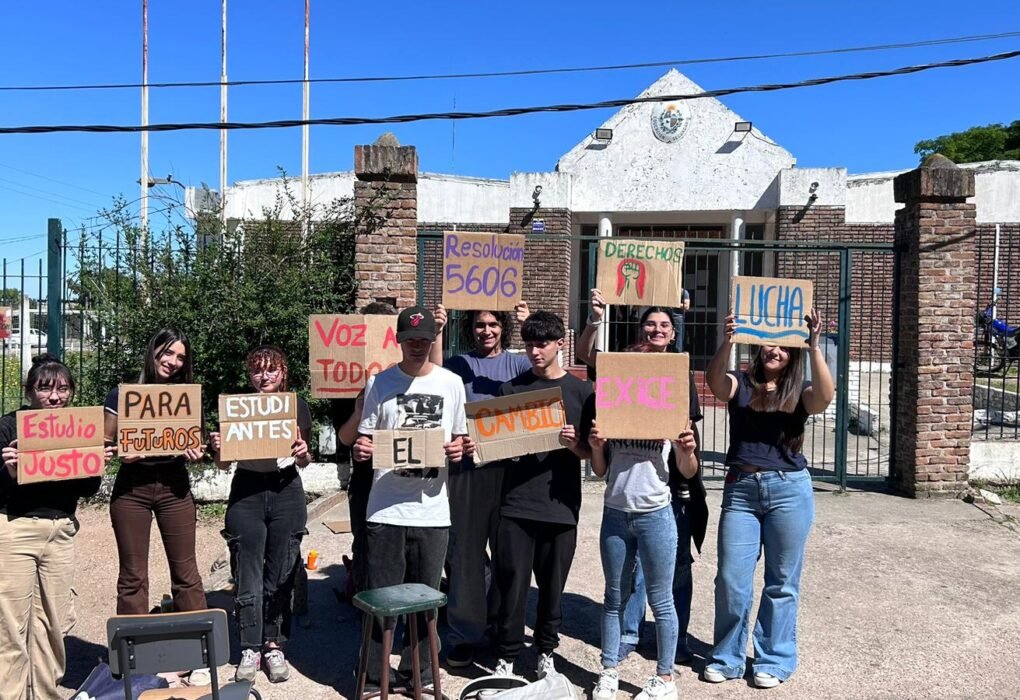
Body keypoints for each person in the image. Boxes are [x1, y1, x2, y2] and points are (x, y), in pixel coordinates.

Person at [702, 310, 833, 689]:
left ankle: (773, 659)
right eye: (767, 344)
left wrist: (814, 347)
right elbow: (714, 383)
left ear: (792, 353)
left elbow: (825, 397)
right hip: (741, 489)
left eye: (781, 345)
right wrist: (727, 341)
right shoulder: (741, 383)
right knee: (731, 578)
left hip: (789, 490)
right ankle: (726, 657)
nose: (772, 350)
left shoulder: (800, 390)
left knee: (782, 581)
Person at [579, 290, 710, 667]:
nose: (657, 329)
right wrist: (595, 317)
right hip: (623, 494)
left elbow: (687, 434)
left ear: (673, 333)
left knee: (675, 570)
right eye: (650, 323)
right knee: (628, 576)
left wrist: (685, 451)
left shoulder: (678, 374)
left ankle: (675, 642)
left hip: (668, 492)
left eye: (665, 325)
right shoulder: (624, 366)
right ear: (640, 332)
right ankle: (630, 634)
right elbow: (589, 356)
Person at [352, 306, 468, 691]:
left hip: (433, 511)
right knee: (382, 599)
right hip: (386, 509)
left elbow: (460, 439)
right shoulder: (380, 384)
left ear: (433, 340)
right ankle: (372, 676)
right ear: (398, 341)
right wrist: (361, 451)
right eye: (410, 339)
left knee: (425, 603)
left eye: (424, 340)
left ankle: (419, 675)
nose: (418, 346)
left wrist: (458, 450)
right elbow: (365, 439)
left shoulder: (451, 383)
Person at [588, 339, 699, 700]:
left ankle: (665, 679)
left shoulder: (670, 408)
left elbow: (687, 469)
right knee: (613, 597)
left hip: (656, 514)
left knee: (660, 599)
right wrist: (594, 446)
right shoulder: (612, 406)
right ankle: (608, 671)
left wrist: (687, 451)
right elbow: (601, 470)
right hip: (616, 512)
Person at [0, 354, 115, 700]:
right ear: (30, 391)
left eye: (63, 389)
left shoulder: (78, 428)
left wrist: (97, 465)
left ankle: (47, 693)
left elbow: (85, 489)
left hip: (61, 531)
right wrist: (7, 472)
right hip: (15, 528)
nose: (54, 397)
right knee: (11, 624)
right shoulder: (8, 427)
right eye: (45, 388)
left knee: (53, 623)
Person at [103, 328, 209, 685]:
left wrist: (197, 454)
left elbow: (193, 443)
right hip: (132, 489)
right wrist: (120, 452)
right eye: (168, 353)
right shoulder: (122, 395)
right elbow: (103, 446)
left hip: (174, 486)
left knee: (186, 574)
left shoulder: (185, 397)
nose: (173, 362)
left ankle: (195, 658)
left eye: (180, 357)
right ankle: (133, 659)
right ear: (153, 351)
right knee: (133, 578)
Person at [493, 311, 594, 680]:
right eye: (529, 344)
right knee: (511, 586)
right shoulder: (510, 391)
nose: (535, 351)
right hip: (516, 504)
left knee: (552, 590)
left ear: (559, 344)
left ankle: (545, 651)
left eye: (542, 344)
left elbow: (592, 455)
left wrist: (575, 445)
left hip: (561, 506)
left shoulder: (581, 392)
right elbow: (495, 449)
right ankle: (506, 654)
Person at [430, 303, 531, 669]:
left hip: (511, 473)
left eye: (492, 324)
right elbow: (437, 379)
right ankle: (463, 635)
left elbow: (549, 379)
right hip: (468, 472)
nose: (485, 330)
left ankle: (501, 631)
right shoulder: (459, 364)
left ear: (503, 328)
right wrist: (438, 329)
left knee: (509, 556)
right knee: (466, 556)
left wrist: (528, 323)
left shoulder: (519, 364)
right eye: (478, 325)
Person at [209, 345, 312, 683]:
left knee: (281, 570)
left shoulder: (296, 406)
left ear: (283, 373)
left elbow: (304, 459)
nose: (265, 376)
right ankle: (250, 647)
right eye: (257, 370)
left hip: (286, 491)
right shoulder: (238, 408)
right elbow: (224, 463)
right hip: (247, 491)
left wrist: (302, 452)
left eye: (272, 369)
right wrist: (218, 450)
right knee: (247, 570)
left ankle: (274, 643)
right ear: (249, 375)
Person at [335, 301, 398, 595]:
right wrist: (360, 410)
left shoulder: (407, 378)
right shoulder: (345, 380)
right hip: (364, 478)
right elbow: (344, 439)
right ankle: (362, 598)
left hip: (400, 474)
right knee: (363, 539)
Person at [670, 288, 691, 353]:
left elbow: (687, 306)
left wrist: (674, 304)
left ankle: (678, 354)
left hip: (678, 318)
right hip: (667, 316)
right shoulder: (667, 290)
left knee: (678, 340)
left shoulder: (683, 292)